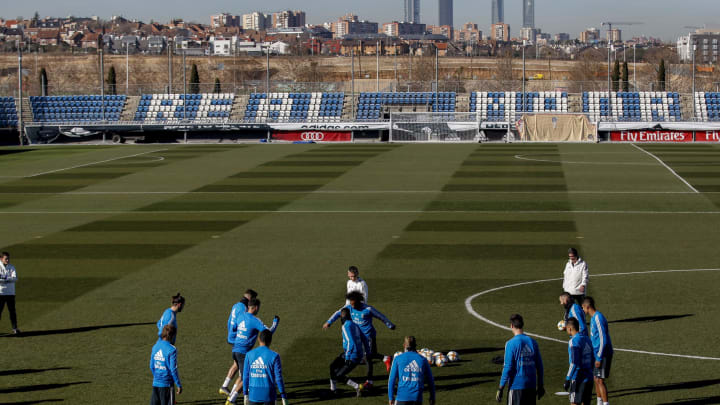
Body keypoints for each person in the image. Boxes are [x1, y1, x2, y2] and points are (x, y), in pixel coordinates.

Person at [324, 291, 395, 390]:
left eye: (353, 304)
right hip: (358, 336)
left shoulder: (367, 309)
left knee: (368, 357)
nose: (352, 306)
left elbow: (380, 316)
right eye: (351, 303)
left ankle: (370, 380)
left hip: (369, 336)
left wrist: (389, 325)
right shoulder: (349, 308)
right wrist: (329, 322)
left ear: (358, 302)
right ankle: (385, 359)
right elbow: (338, 313)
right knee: (368, 356)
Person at [226, 299, 279, 405]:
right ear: (255, 307)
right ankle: (231, 400)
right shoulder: (255, 320)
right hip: (243, 352)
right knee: (246, 376)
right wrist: (275, 323)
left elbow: (234, 327)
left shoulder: (241, 316)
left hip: (235, 350)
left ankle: (231, 395)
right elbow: (267, 333)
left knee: (242, 375)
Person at [496, 314, 545, 405]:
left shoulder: (510, 344)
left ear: (511, 326)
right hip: (531, 386)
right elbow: (540, 366)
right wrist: (541, 385)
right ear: (522, 324)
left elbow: (508, 367)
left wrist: (501, 387)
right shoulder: (533, 342)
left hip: (516, 386)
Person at [220, 289, 259, 396]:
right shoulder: (244, 308)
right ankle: (235, 392)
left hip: (231, 336)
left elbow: (230, 321)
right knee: (242, 367)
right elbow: (243, 323)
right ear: (250, 298)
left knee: (236, 363)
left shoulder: (236, 305)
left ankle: (225, 386)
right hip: (238, 338)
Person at [329, 308, 370, 397]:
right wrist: (367, 352)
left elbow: (351, 342)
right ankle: (333, 389)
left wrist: (347, 357)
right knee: (333, 366)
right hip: (357, 354)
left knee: (339, 375)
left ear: (342, 317)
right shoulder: (355, 325)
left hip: (352, 355)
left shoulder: (345, 326)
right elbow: (364, 339)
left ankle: (357, 386)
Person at [242, 330, 288, 405]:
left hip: (253, 395)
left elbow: (245, 376)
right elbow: (278, 377)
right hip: (269, 395)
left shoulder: (249, 355)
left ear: (259, 339)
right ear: (270, 341)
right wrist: (283, 395)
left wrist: (245, 394)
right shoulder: (275, 356)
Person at [582, 297, 613, 405]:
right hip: (597, 354)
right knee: (596, 379)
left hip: (603, 354)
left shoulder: (598, 318)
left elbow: (603, 339)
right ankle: (599, 402)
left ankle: (605, 403)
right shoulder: (593, 318)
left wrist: (599, 357)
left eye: (583, 307)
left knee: (600, 380)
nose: (583, 310)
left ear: (587, 306)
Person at [389, 336, 436, 405]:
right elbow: (430, 380)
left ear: (404, 345)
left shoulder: (398, 359)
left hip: (402, 397)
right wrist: (432, 397)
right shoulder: (423, 359)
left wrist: (391, 397)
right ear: (415, 346)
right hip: (417, 398)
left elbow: (392, 380)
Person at [563, 318, 594, 405]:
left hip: (578, 378)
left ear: (569, 328)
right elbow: (593, 358)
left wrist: (567, 379)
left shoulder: (573, 341)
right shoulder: (587, 339)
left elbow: (574, 363)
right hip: (589, 378)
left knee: (574, 403)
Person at [150, 324, 182, 405]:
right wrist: (178, 384)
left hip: (155, 383)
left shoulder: (155, 346)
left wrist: (157, 377)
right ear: (172, 336)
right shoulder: (172, 349)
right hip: (167, 385)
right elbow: (173, 369)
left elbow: (151, 366)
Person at [0, 252, 19, 334]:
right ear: (1, 259)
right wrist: (8, 279)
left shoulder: (12, 267)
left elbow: (15, 278)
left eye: (8, 258)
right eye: (6, 259)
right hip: (1, 293)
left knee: (12, 312)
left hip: (11, 293)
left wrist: (4, 279)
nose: (7, 260)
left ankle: (15, 328)